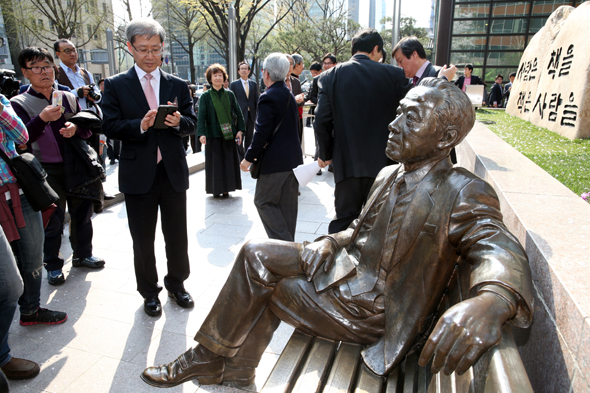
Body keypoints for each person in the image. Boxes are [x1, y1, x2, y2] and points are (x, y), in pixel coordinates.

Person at [141, 78, 533, 389]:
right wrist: (330, 240)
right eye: (398, 113)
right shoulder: (388, 173)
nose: (394, 125)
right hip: (346, 274)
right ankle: (221, 364)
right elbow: (358, 232)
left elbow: (497, 244)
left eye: (411, 119)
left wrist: (492, 301)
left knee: (268, 284)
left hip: (377, 312)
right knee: (256, 254)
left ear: (446, 138)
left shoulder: (461, 190)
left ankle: (220, 364)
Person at [101, 18, 197, 317]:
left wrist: (179, 122)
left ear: (162, 48)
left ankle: (177, 284)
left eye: (155, 49)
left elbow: (193, 123)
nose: (150, 55)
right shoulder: (116, 85)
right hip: (137, 174)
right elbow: (108, 125)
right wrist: (138, 125)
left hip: (172, 173)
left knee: (177, 235)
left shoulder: (178, 84)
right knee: (142, 239)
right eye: (143, 49)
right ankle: (149, 292)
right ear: (130, 48)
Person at [314, 28, 455, 234]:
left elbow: (321, 119)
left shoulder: (330, 76)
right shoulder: (394, 74)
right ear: (375, 48)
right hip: (384, 165)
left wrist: (325, 154)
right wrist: (441, 80)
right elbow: (419, 102)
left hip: (346, 164)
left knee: (344, 221)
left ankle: (333, 260)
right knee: (379, 225)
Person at [10, 47, 105, 286]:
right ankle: (53, 265)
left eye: (47, 66)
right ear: (25, 72)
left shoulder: (68, 96)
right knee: (52, 220)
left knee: (82, 213)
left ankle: (83, 254)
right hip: (42, 169)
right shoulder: (18, 103)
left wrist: (75, 128)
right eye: (36, 68)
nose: (44, 72)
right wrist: (42, 119)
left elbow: (87, 128)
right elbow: (21, 139)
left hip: (76, 164)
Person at [0, 93, 68, 328]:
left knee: (32, 256)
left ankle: (31, 309)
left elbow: (22, 137)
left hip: (19, 190)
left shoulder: (3, 101)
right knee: (6, 272)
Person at [239, 53, 303, 241]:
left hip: (275, 162)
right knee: (288, 208)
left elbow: (261, 133)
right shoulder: (288, 93)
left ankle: (284, 245)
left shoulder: (268, 96)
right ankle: (289, 252)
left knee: (263, 201)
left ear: (265, 73)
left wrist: (247, 158)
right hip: (293, 161)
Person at [197, 64, 245, 198]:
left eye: (220, 75)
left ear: (224, 78)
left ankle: (227, 189)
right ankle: (215, 189)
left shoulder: (230, 94)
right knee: (215, 164)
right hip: (213, 134)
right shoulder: (205, 96)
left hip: (229, 135)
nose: (218, 78)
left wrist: (240, 130)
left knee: (228, 162)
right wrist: (201, 134)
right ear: (210, 78)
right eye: (215, 76)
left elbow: (239, 113)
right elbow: (201, 117)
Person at [230, 61, 258, 160]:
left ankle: (247, 158)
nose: (244, 71)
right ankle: (240, 158)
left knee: (249, 139)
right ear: (238, 71)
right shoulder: (234, 84)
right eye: (242, 69)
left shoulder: (253, 84)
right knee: (239, 139)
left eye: (246, 69)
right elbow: (232, 103)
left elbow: (256, 100)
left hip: (251, 116)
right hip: (239, 116)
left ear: (249, 71)